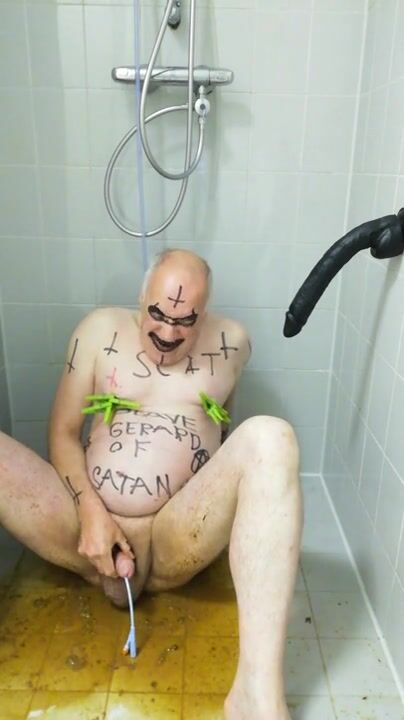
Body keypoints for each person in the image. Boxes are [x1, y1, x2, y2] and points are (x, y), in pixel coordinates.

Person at [0, 248, 303, 720]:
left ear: (205, 315)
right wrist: (91, 513)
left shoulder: (232, 344)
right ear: (141, 300)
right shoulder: (98, 332)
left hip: (173, 535)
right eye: (157, 314)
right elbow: (62, 434)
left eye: (185, 321)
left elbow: (224, 440)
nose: (167, 332)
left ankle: (257, 696)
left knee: (272, 437)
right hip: (77, 526)